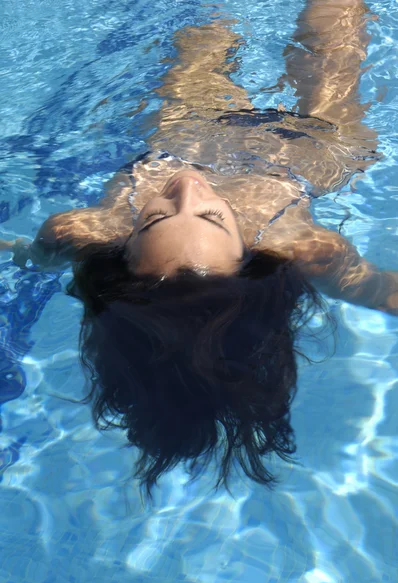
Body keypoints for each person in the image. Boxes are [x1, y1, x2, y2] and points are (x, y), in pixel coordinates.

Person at [1, 0, 397, 498]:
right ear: (251, 258)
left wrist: (30, 251)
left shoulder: (86, 234)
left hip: (185, 134)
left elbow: (29, 258)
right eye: (212, 216)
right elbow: (382, 292)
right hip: (304, 148)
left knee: (202, 37)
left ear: (121, 253)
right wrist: (362, 277)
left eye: (155, 217)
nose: (188, 189)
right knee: (335, 49)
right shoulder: (304, 251)